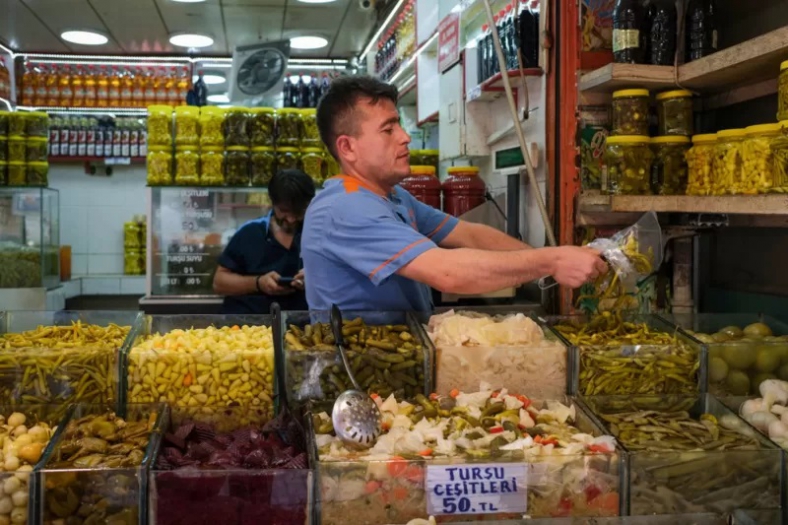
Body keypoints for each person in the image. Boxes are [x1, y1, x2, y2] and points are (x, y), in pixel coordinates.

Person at [300, 75, 607, 313]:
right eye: (388, 129)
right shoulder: (345, 208)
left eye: (400, 126)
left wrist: (546, 263)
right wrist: (551, 261)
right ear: (347, 147)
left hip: (402, 357)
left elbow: (469, 234)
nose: (405, 137)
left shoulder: (392, 197)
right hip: (356, 366)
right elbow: (447, 273)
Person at [213, 169, 315, 314]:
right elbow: (219, 283)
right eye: (284, 211)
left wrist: (315, 278)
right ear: (272, 203)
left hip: (303, 323)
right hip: (249, 322)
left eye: (299, 211)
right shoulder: (250, 233)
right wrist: (258, 283)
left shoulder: (319, 234)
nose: (291, 219)